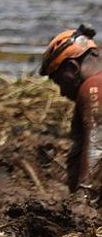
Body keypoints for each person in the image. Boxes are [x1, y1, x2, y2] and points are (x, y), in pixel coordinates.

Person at [39, 24, 102, 203]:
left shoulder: (93, 87)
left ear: (73, 68)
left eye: (59, 82)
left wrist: (84, 199)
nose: (62, 93)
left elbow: (98, 146)